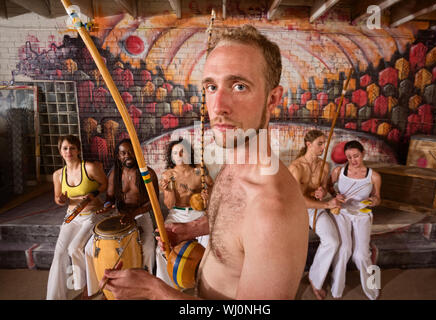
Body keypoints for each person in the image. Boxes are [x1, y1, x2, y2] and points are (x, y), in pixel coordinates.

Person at [101, 25, 309, 300]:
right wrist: (193, 228)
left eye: (239, 86)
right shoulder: (234, 164)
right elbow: (234, 220)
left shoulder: (272, 212)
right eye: (211, 86)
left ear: (272, 99)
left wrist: (155, 291)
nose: (218, 105)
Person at [84, 138, 159, 297]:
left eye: (131, 151)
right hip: (120, 213)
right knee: (89, 248)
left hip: (141, 213)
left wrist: (133, 214)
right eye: (123, 153)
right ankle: (98, 288)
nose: (128, 155)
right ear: (118, 156)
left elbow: (152, 203)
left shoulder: (148, 173)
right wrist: (106, 207)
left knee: (147, 248)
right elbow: (110, 198)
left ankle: (147, 287)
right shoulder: (114, 174)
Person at [47, 134, 107, 300]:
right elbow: (57, 198)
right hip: (72, 216)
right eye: (65, 148)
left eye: (72, 148)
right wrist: (61, 200)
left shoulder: (89, 168)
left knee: (74, 247)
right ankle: (54, 297)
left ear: (78, 150)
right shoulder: (58, 175)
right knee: (59, 253)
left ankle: (85, 288)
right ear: (60, 151)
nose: (69, 151)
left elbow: (104, 184)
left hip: (93, 215)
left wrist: (93, 193)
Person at [288, 129, 343, 300]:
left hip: (315, 206)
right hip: (294, 208)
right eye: (319, 144)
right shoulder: (296, 167)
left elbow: (325, 189)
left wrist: (322, 191)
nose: (323, 147)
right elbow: (298, 200)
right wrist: (326, 203)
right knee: (289, 246)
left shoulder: (324, 166)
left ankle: (315, 278)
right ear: (308, 144)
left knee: (333, 241)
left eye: (324, 143)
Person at [155, 137, 213, 287]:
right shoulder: (168, 175)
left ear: (189, 154)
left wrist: (208, 196)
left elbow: (213, 187)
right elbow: (169, 205)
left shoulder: (199, 170)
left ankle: (205, 282)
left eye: (183, 151)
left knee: (210, 243)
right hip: (177, 213)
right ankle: (166, 284)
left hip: (198, 213)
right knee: (162, 247)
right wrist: (168, 190)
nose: (179, 155)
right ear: (171, 157)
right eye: (175, 153)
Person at [328, 140, 382, 300]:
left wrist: (374, 201)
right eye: (349, 157)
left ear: (363, 153)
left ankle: (373, 286)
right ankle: (336, 288)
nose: (353, 161)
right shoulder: (339, 171)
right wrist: (335, 195)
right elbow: (328, 188)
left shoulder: (374, 176)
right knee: (344, 250)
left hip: (362, 214)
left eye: (356, 156)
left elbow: (378, 198)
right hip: (342, 213)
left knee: (361, 255)